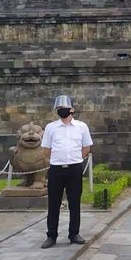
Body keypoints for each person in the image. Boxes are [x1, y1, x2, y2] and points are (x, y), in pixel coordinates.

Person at [40, 95, 93, 249]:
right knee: (54, 203)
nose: (61, 111)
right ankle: (51, 235)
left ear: (72, 109)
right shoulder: (51, 128)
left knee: (75, 202)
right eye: (59, 109)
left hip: (74, 168)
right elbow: (46, 150)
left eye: (64, 108)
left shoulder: (82, 127)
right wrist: (59, 159)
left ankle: (74, 233)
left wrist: (74, 158)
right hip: (56, 169)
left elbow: (86, 148)